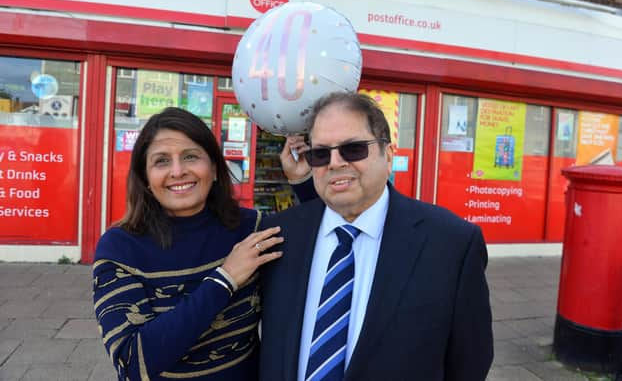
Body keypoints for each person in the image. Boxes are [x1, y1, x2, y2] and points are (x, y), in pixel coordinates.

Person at [260, 92, 493, 381]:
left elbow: (470, 362)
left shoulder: (451, 243)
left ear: (389, 155)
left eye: (353, 148)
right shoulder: (278, 235)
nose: (334, 163)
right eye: (320, 154)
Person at [92, 107, 287, 381]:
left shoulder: (252, 228)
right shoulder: (121, 248)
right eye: (161, 161)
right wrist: (225, 279)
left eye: (191, 156)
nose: (178, 171)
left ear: (215, 168)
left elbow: (319, 252)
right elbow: (133, 363)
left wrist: (302, 182)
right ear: (145, 179)